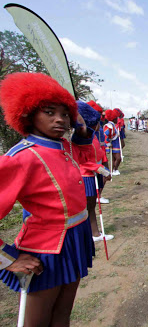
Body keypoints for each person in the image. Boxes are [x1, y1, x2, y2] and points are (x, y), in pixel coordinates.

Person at [0, 72, 94, 326]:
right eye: (49, 112)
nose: (60, 120)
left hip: (76, 240)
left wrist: (83, 131)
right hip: (44, 253)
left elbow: (86, 159)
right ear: (28, 113)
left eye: (65, 114)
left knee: (62, 316)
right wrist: (8, 259)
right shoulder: (20, 157)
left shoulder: (64, 147)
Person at [73, 102, 114, 242]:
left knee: (91, 205)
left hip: (92, 174)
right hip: (86, 176)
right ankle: (94, 234)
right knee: (89, 206)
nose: (99, 125)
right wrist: (101, 169)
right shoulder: (80, 140)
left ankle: (93, 232)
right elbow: (83, 162)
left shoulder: (93, 136)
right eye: (98, 123)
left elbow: (99, 152)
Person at [104, 109, 122, 175]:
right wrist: (108, 144)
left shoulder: (112, 125)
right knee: (118, 158)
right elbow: (105, 135)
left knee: (114, 159)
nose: (117, 119)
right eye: (116, 118)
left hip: (115, 143)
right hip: (113, 144)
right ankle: (114, 169)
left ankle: (113, 170)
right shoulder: (109, 126)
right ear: (113, 118)